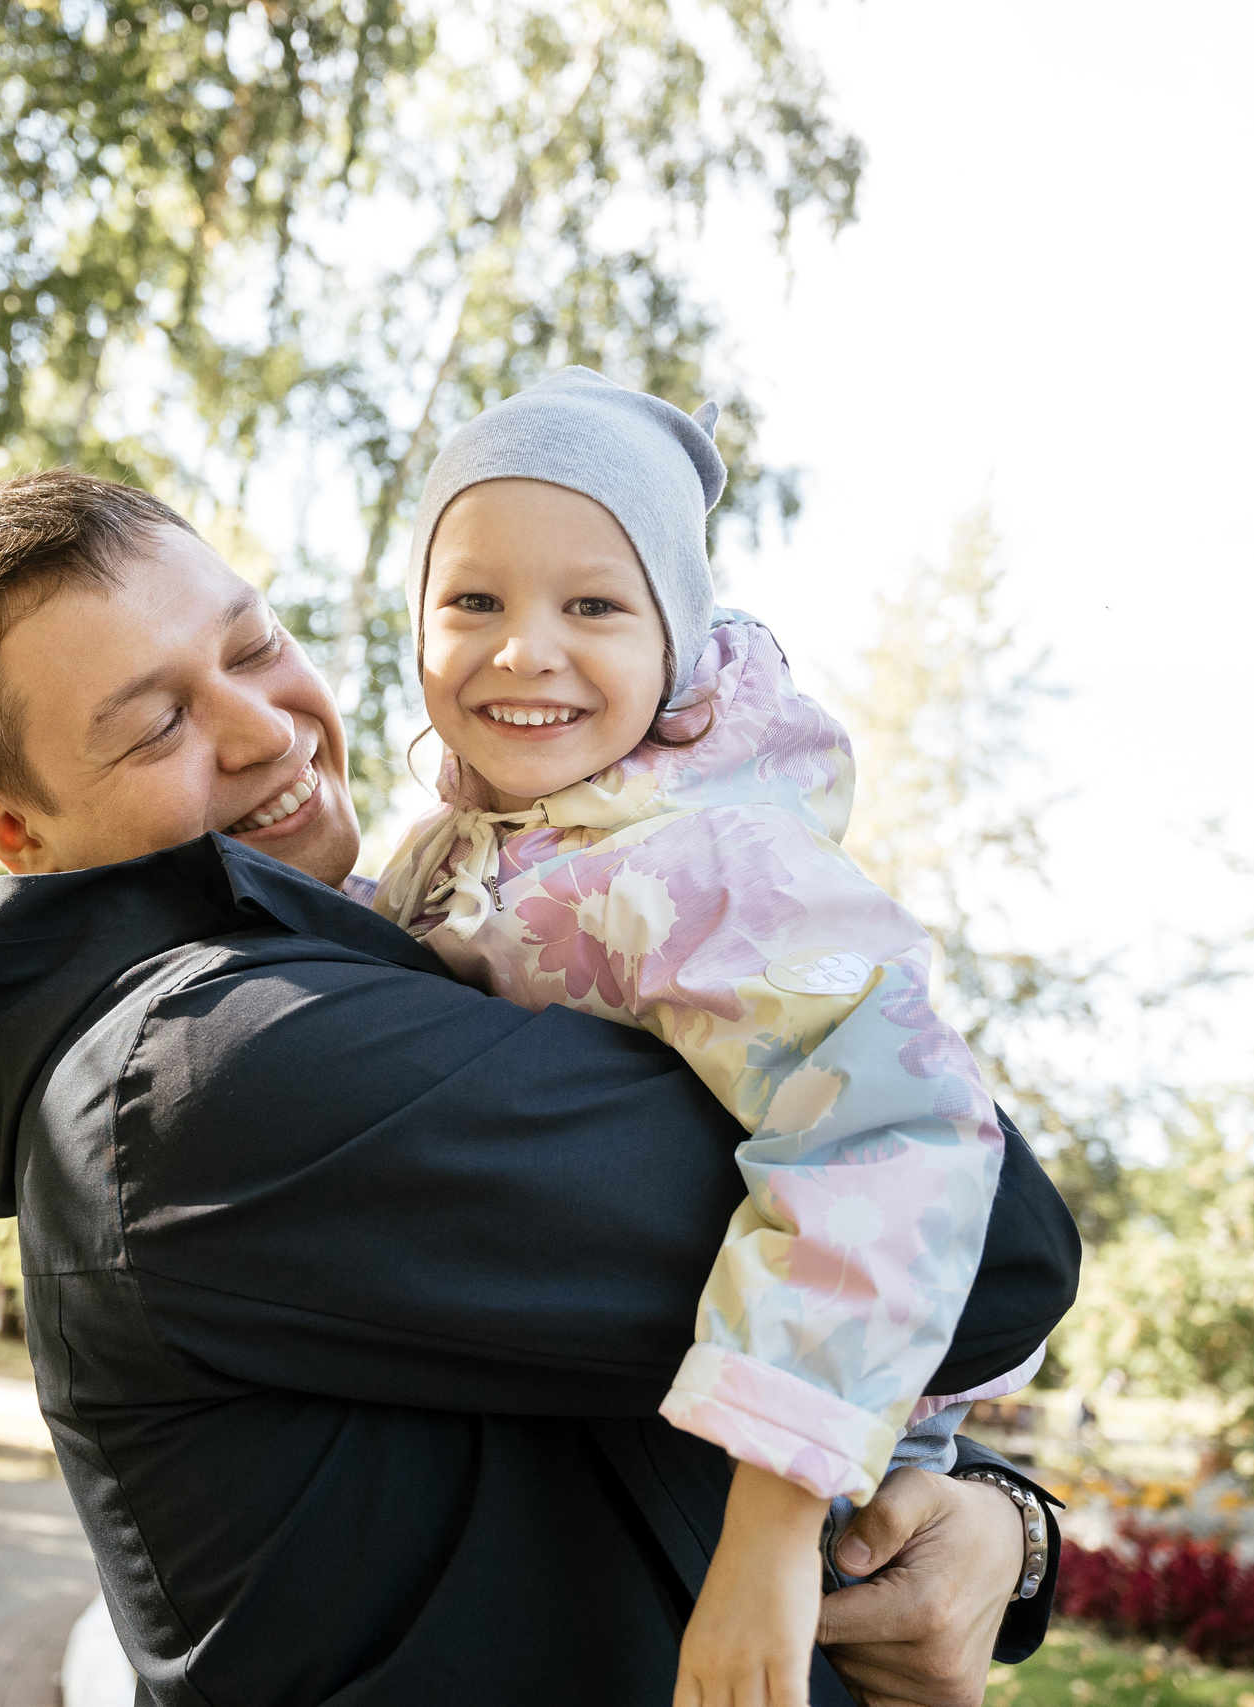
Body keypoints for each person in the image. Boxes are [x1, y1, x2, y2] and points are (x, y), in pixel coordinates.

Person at [0, 467, 1081, 1706]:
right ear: (12, 829)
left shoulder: (382, 949)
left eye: (252, 644)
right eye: (155, 726)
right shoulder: (214, 1068)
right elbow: (995, 1246)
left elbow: (622, 1415)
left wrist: (998, 1528)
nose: (265, 730)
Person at [369, 368, 1056, 1707]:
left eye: (593, 605)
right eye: (474, 600)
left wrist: (771, 1528)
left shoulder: (719, 862)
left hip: (827, 1451)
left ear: (676, 637)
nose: (523, 648)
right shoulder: (452, 853)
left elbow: (895, 1131)